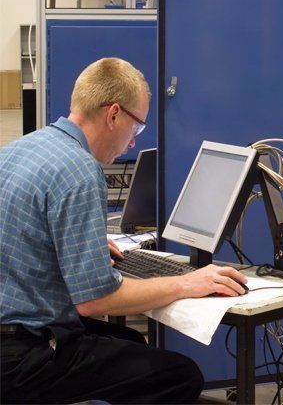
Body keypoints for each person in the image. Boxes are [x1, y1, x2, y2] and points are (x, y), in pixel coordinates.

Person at [0, 58, 248, 404]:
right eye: (137, 128)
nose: (133, 143)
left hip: (12, 339)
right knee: (180, 377)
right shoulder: (80, 170)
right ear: (113, 114)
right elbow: (94, 300)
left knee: (132, 345)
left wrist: (79, 243)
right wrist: (186, 282)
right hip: (24, 358)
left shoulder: (19, 150)